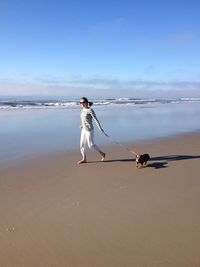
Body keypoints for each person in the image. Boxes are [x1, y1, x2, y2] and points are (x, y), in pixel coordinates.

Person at [77, 97, 106, 164]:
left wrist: (100, 128)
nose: (81, 104)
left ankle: (102, 153)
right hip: (83, 130)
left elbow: (95, 119)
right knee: (81, 145)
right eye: (80, 102)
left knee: (90, 145)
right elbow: (83, 119)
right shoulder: (82, 110)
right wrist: (82, 124)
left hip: (89, 130)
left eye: (83, 102)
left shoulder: (90, 110)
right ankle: (84, 159)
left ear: (87, 102)